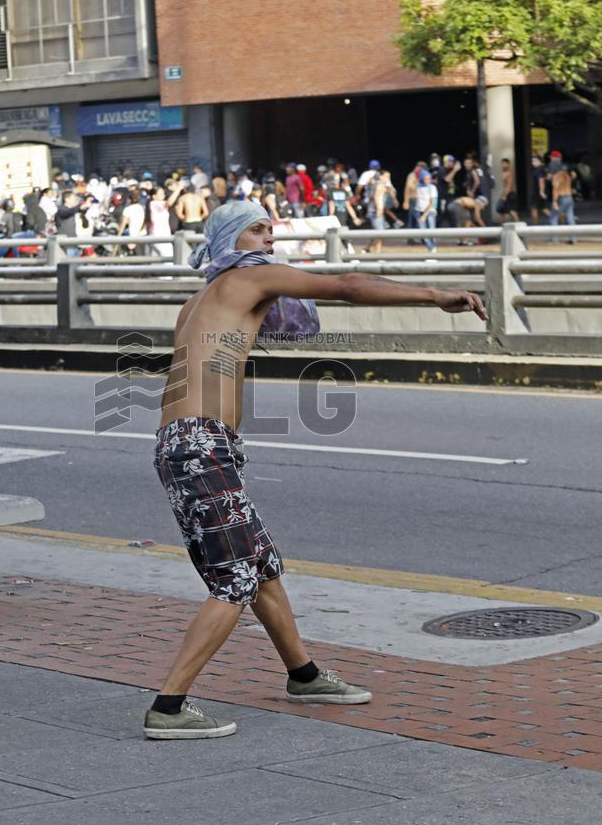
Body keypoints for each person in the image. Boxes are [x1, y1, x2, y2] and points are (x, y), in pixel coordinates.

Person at [144, 200, 486, 740]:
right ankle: (168, 707)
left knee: (261, 563)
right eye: (259, 230)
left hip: (190, 444)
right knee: (235, 580)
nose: (269, 240)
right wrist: (433, 294)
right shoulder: (248, 276)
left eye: (271, 231)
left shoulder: (199, 300)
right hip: (200, 446)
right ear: (234, 237)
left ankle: (302, 675)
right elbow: (347, 285)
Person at [549, 150, 576, 240]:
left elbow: (555, 189)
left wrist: (555, 201)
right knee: (570, 218)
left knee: (553, 217)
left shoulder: (556, 176)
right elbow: (573, 177)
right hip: (569, 197)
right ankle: (573, 238)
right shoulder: (567, 175)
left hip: (561, 198)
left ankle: (554, 239)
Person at [529, 154, 549, 226]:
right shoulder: (543, 168)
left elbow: (541, 180)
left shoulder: (538, 170)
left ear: (540, 161)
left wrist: (541, 192)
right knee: (544, 208)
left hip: (537, 192)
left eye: (535, 161)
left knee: (534, 208)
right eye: (532, 161)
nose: (533, 162)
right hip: (540, 192)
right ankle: (555, 220)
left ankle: (535, 226)